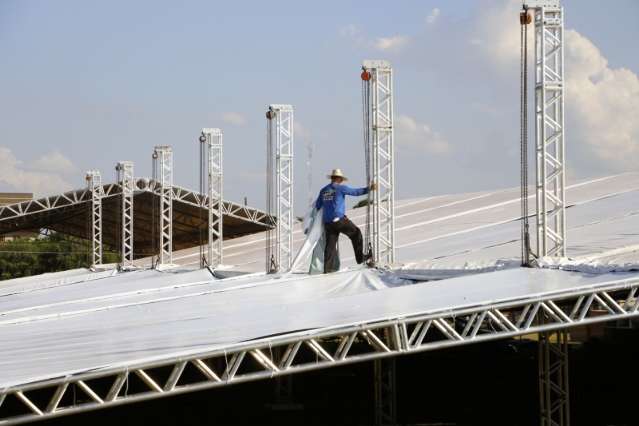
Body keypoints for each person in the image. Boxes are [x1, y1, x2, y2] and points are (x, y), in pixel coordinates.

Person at [315, 168, 377, 273]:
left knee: (330, 245)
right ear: (339, 179)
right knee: (356, 233)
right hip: (339, 220)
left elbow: (318, 206)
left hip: (328, 222)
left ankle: (327, 269)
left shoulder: (323, 190)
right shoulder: (340, 188)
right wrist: (369, 188)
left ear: (332, 178)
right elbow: (356, 192)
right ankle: (360, 258)